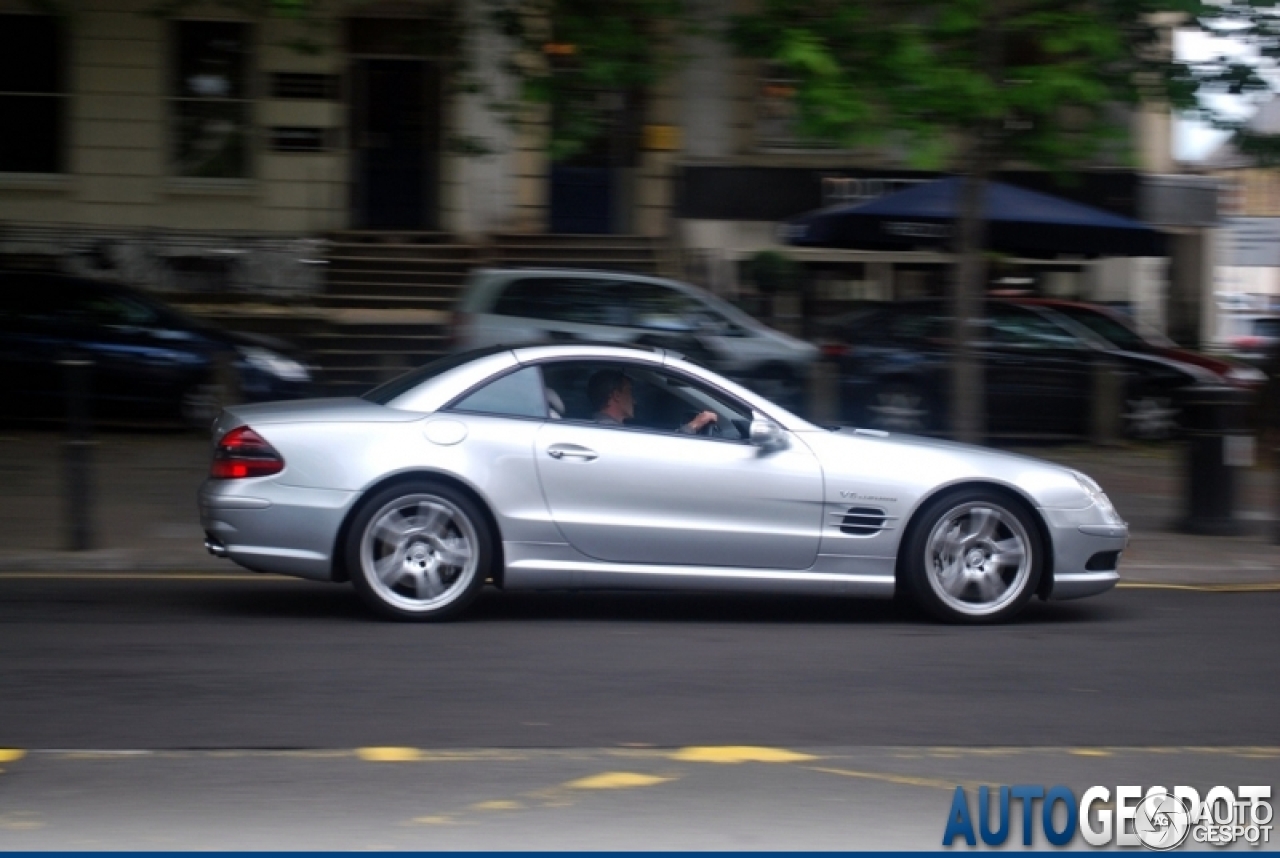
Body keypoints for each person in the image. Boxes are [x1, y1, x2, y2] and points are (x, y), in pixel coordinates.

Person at [586, 368, 717, 434]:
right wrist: (694, 425)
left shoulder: (605, 427)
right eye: (629, 393)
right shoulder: (609, 431)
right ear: (616, 395)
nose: (634, 401)